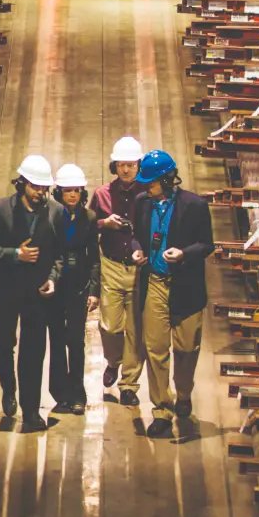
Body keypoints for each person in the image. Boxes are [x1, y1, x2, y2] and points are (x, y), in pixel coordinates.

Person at [133, 148, 214, 438]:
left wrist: (183, 254)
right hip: (155, 282)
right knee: (155, 349)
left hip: (185, 287)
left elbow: (206, 244)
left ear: (168, 180)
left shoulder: (194, 205)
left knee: (186, 348)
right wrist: (137, 251)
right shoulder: (142, 203)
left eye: (152, 182)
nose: (147, 187)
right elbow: (135, 234)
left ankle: (183, 393)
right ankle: (161, 409)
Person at [0, 154, 61, 431]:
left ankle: (30, 412)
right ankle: (8, 386)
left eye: (44, 188)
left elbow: (60, 255)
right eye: (36, 187)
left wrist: (52, 278)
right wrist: (16, 254)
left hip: (37, 296)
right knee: (3, 346)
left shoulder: (55, 212)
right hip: (5, 292)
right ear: (22, 183)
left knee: (33, 354)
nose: (41, 192)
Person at [91, 136, 147, 406]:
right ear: (115, 166)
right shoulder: (102, 194)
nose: (126, 170)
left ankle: (129, 385)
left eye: (131, 165)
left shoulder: (148, 194)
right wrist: (105, 223)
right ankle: (113, 361)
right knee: (110, 325)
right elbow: (88, 225)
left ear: (139, 165)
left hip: (138, 268)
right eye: (122, 165)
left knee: (136, 330)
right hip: (111, 265)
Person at [43, 163, 100, 416]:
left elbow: (94, 257)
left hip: (78, 286)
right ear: (59, 193)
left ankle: (78, 393)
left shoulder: (89, 218)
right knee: (56, 342)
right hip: (55, 286)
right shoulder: (50, 216)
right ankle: (60, 395)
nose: (72, 195)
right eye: (67, 191)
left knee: (75, 342)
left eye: (76, 190)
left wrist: (94, 289)